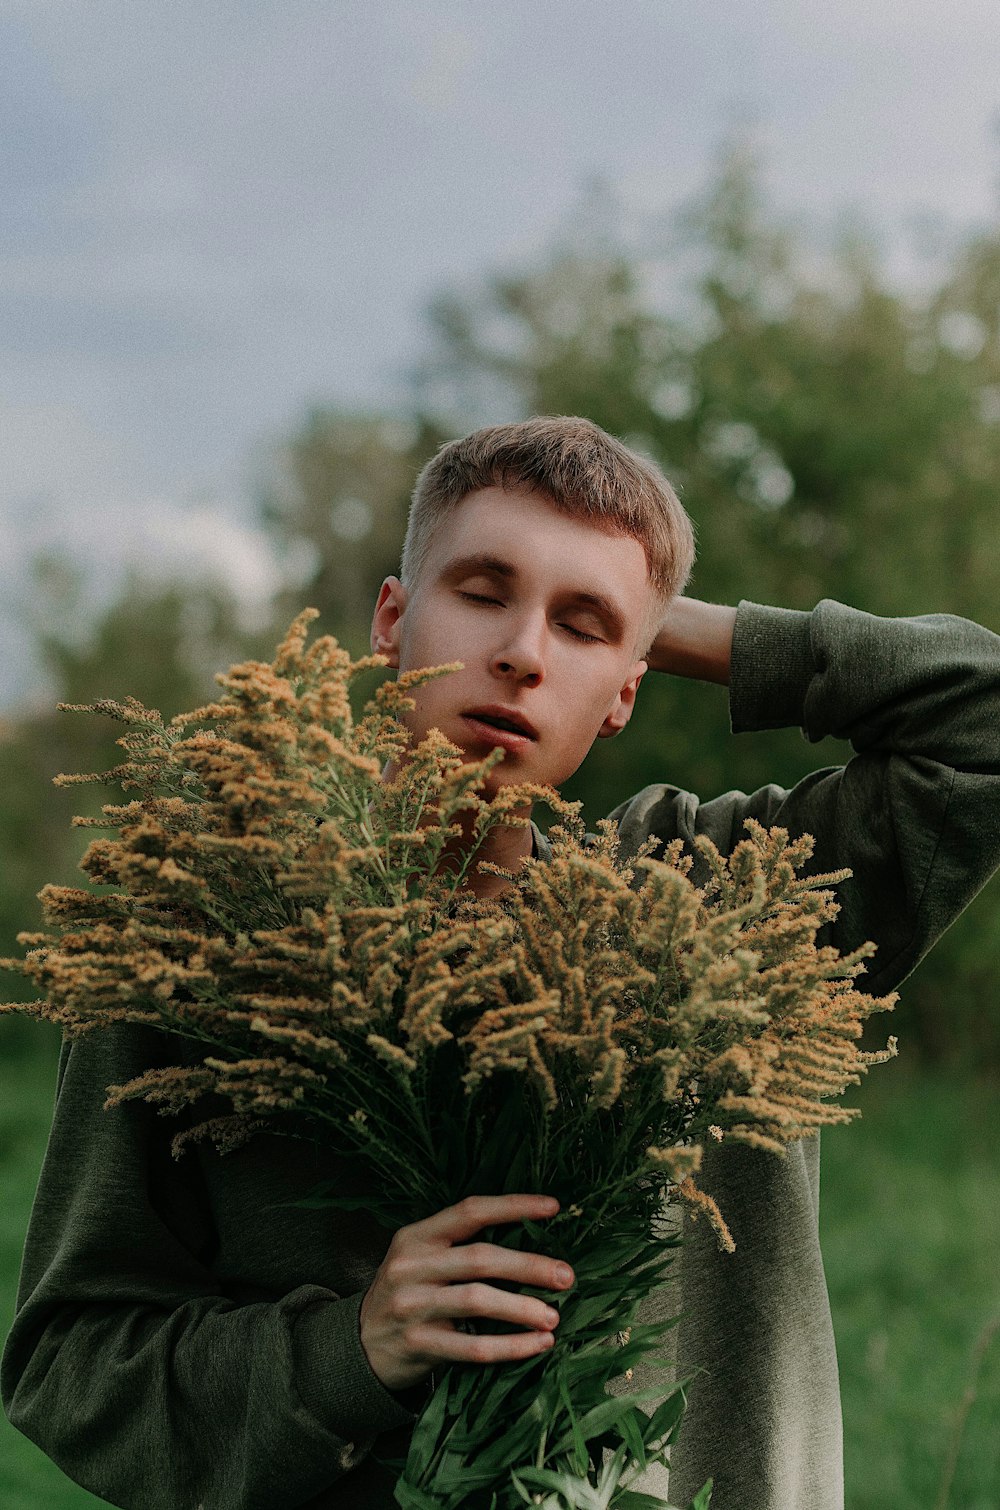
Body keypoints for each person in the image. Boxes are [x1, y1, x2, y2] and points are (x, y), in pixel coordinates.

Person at [4, 416, 999, 1510]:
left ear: (630, 688)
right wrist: (351, 1352)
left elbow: (979, 721)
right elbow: (70, 1365)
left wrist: (670, 629)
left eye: (581, 625)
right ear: (392, 618)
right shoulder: (212, 930)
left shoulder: (723, 901)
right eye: (481, 592)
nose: (523, 651)